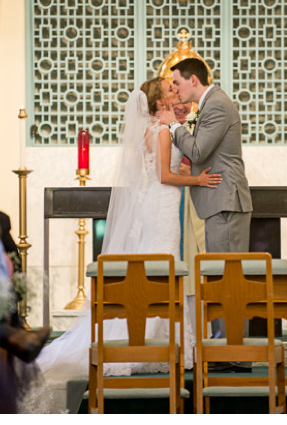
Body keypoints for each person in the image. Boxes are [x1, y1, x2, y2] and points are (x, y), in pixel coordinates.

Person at [25, 77, 221, 413]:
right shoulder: (160, 131)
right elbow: (164, 175)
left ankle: (156, 340)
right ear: (158, 102)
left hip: (157, 204)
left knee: (158, 269)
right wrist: (197, 179)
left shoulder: (157, 129)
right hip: (162, 202)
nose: (175, 92)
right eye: (169, 90)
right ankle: (153, 343)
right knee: (165, 269)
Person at [168, 57, 253, 372]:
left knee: (229, 278)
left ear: (193, 79)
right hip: (219, 201)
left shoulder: (216, 104)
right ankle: (227, 350)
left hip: (226, 201)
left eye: (177, 82)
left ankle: (234, 354)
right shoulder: (208, 104)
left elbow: (200, 151)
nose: (175, 89)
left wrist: (173, 125)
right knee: (221, 277)